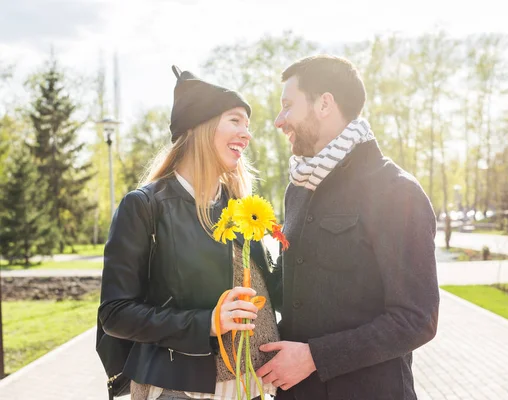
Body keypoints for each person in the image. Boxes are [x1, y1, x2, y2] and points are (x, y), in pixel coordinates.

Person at [256, 55, 440, 400]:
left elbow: (417, 319)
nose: (279, 121)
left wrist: (314, 357)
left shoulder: (396, 190)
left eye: (287, 106)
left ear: (324, 103)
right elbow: (296, 289)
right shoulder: (298, 188)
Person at [98, 66, 279, 400]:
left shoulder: (240, 207)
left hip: (251, 389)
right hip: (177, 390)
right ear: (200, 126)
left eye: (247, 125)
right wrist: (206, 322)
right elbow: (115, 314)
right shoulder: (144, 206)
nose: (246, 134)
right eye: (235, 120)